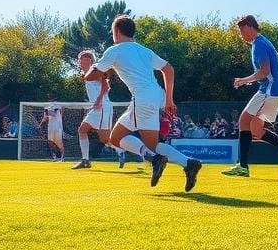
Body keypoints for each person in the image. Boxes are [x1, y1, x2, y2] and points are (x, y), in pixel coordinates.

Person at [83, 14, 202, 192]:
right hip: (154, 96)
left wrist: (96, 67)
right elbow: (168, 69)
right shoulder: (144, 50)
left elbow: (90, 76)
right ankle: (188, 163)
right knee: (116, 138)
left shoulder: (115, 50)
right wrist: (169, 99)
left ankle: (159, 160)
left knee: (150, 146)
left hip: (142, 98)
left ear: (116, 31)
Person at [222, 15, 278, 177]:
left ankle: (242, 167)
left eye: (243, 31)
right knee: (256, 129)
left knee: (244, 121)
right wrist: (252, 80)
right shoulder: (263, 41)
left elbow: (265, 71)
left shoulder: (258, 44)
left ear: (251, 27)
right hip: (273, 90)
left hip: (270, 90)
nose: (241, 35)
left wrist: (244, 80)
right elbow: (265, 72)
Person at [71, 50, 127, 169]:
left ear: (89, 60)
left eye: (81, 58)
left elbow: (106, 85)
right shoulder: (86, 73)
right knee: (82, 130)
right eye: (79, 59)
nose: (79, 61)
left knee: (104, 138)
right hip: (97, 108)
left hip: (102, 107)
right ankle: (85, 160)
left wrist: (98, 99)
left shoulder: (94, 70)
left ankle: (121, 150)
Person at [39, 96, 66, 162]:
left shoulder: (57, 105)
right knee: (50, 142)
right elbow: (45, 117)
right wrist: (41, 124)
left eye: (51, 98)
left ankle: (63, 156)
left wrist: (46, 112)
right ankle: (54, 156)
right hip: (50, 127)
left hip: (58, 126)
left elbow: (54, 113)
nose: (50, 99)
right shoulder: (46, 107)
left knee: (59, 142)